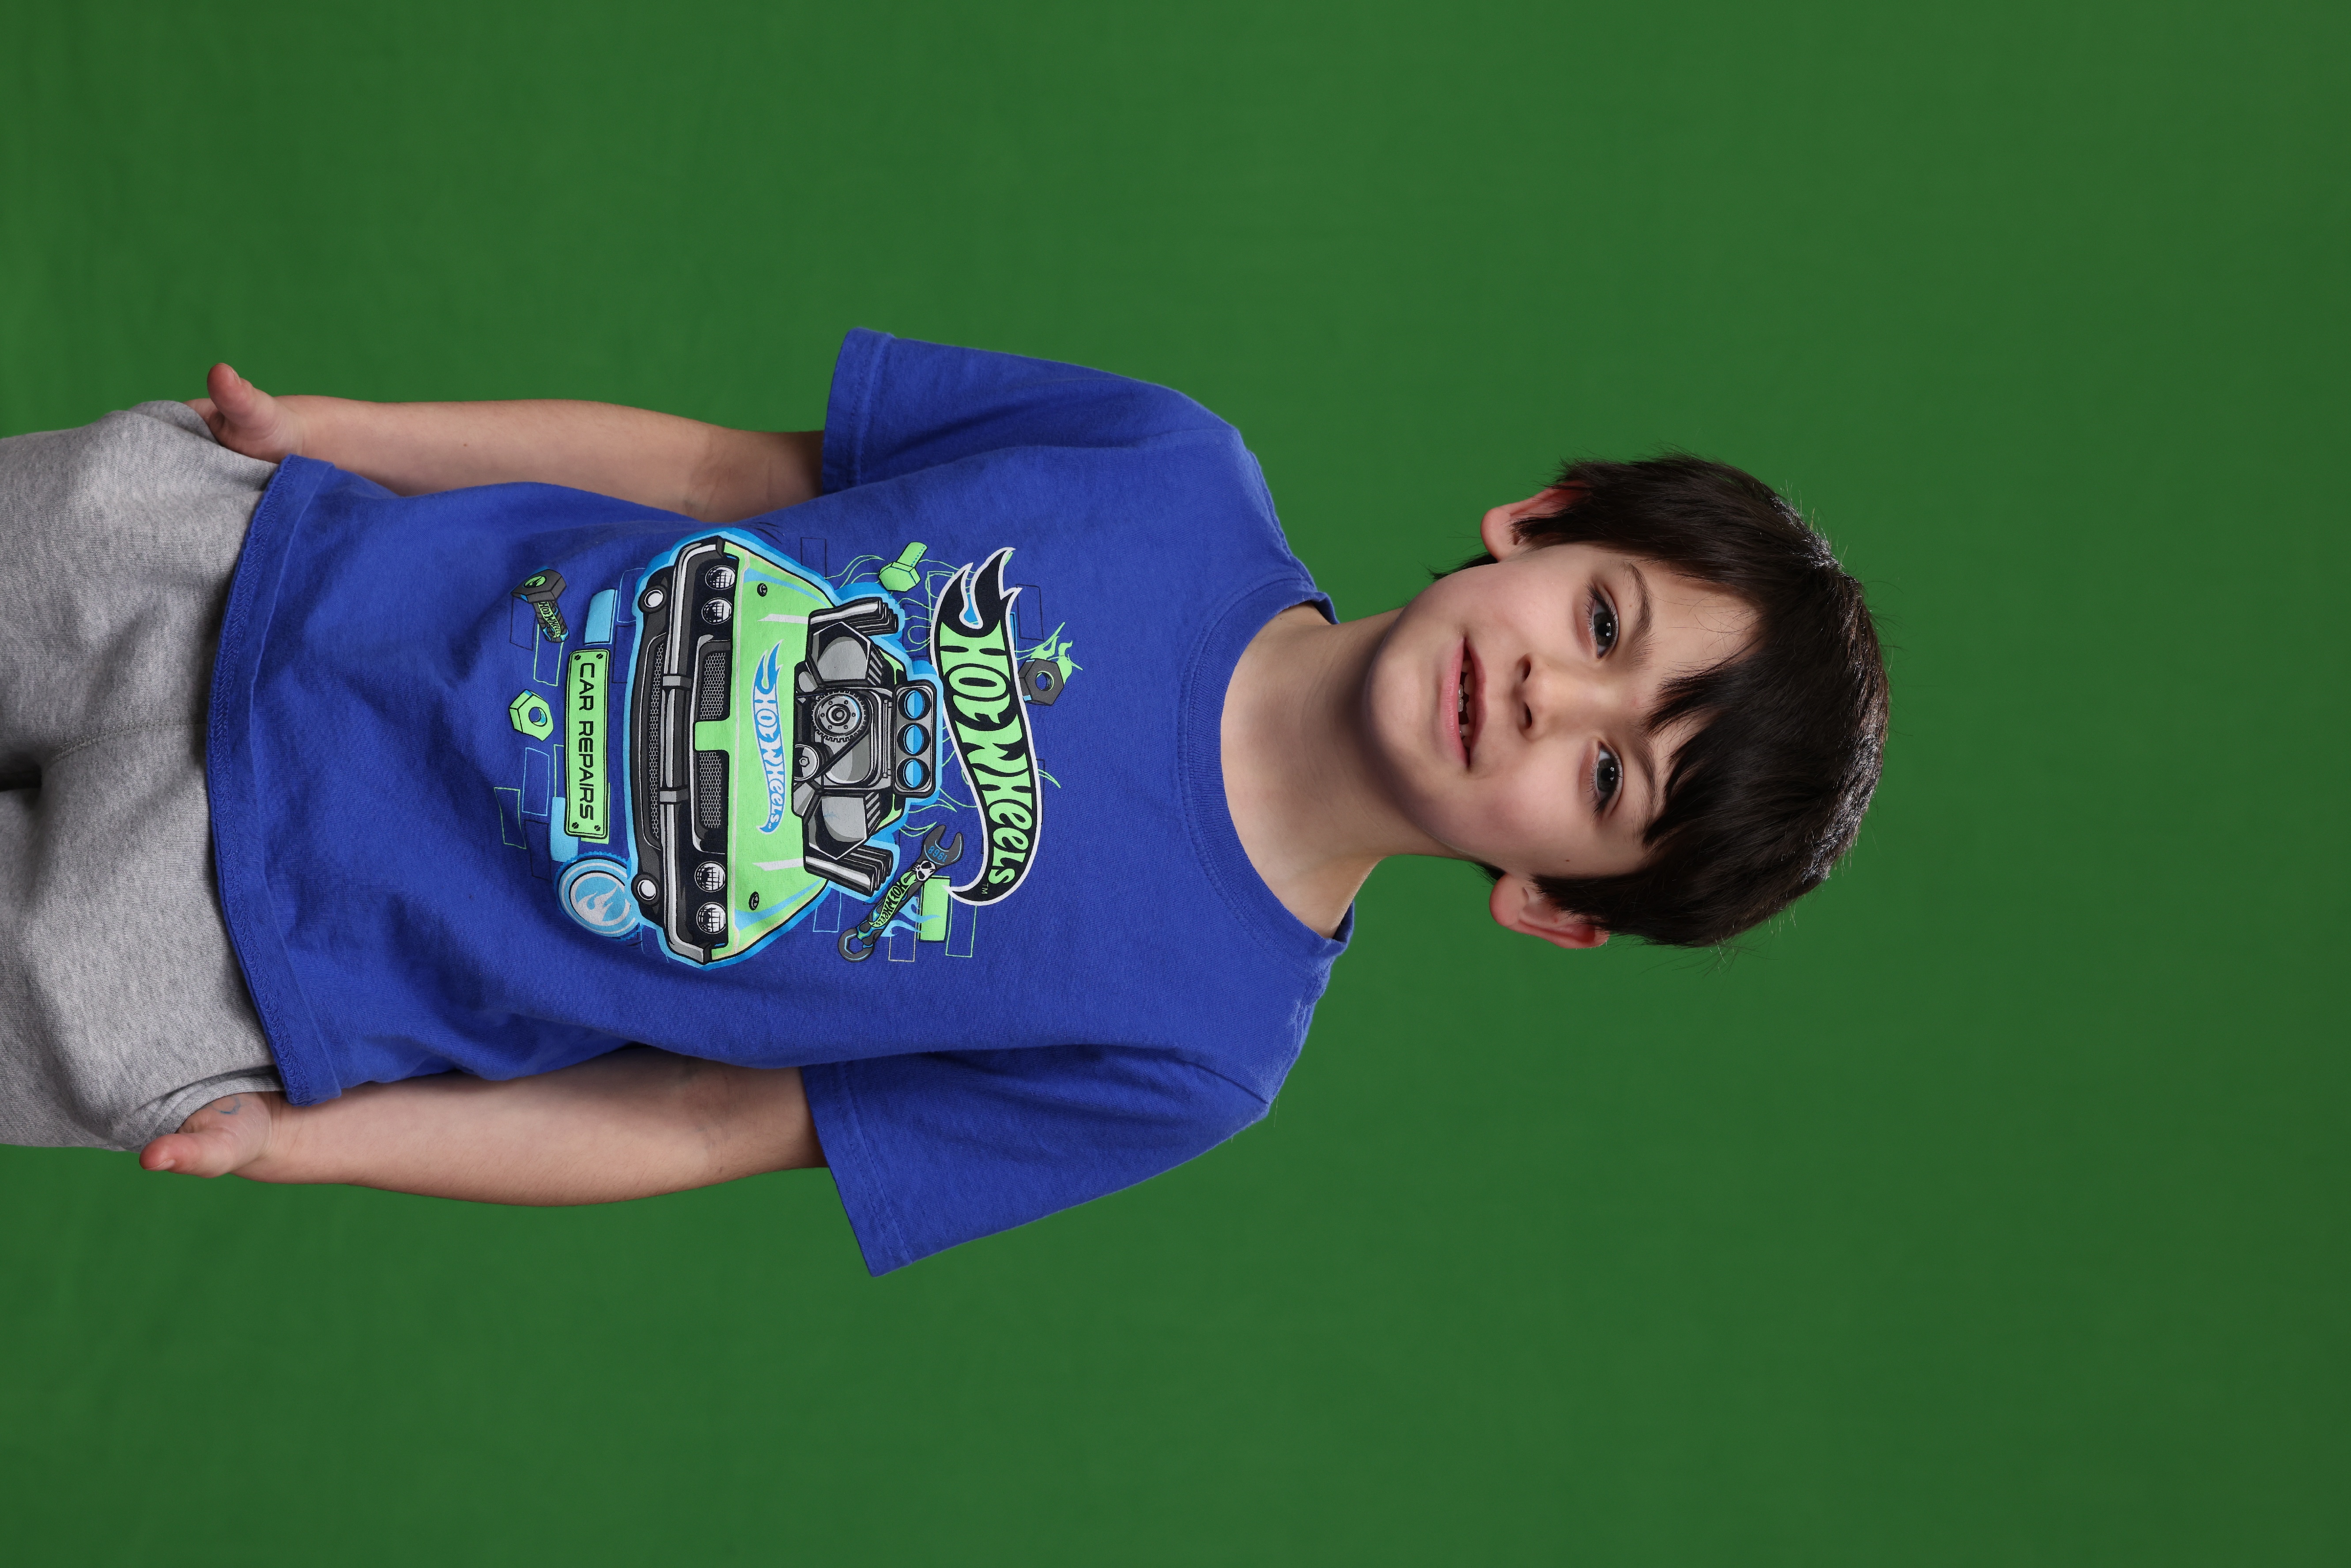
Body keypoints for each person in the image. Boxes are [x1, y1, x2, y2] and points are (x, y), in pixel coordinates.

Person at [0, 332, 1886, 1272]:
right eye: (1606, 622)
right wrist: (341, 437)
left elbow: (706, 1118)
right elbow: (721, 473)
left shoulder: (1199, 1055)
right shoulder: (1167, 465)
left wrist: (311, 1145)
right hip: (231, 569)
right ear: (1543, 525)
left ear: (1555, 901)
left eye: (1612, 775)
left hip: (246, 965)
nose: (1553, 695)